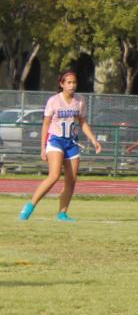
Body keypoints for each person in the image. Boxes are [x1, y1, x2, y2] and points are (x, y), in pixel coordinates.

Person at [20, 70, 102, 222]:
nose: (72, 85)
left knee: (71, 180)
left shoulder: (80, 100)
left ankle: (62, 213)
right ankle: (30, 206)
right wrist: (43, 147)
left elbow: (83, 122)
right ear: (62, 84)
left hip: (72, 143)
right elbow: (45, 125)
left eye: (74, 82)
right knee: (54, 175)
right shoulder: (53, 101)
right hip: (56, 140)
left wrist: (93, 140)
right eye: (69, 82)